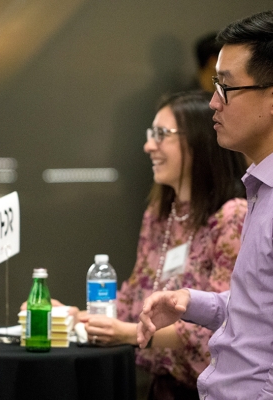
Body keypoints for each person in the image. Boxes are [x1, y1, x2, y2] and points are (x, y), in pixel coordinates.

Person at [137, 10, 273, 400]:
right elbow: (259, 308)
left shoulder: (238, 207)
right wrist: (191, 302)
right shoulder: (259, 189)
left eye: (226, 88)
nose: (213, 102)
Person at [78, 90, 247, 399]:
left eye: (160, 134)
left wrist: (131, 334)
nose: (148, 146)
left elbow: (225, 319)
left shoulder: (232, 216)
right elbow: (135, 295)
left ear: (198, 141)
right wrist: (82, 318)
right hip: (161, 389)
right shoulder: (160, 215)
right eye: (150, 134)